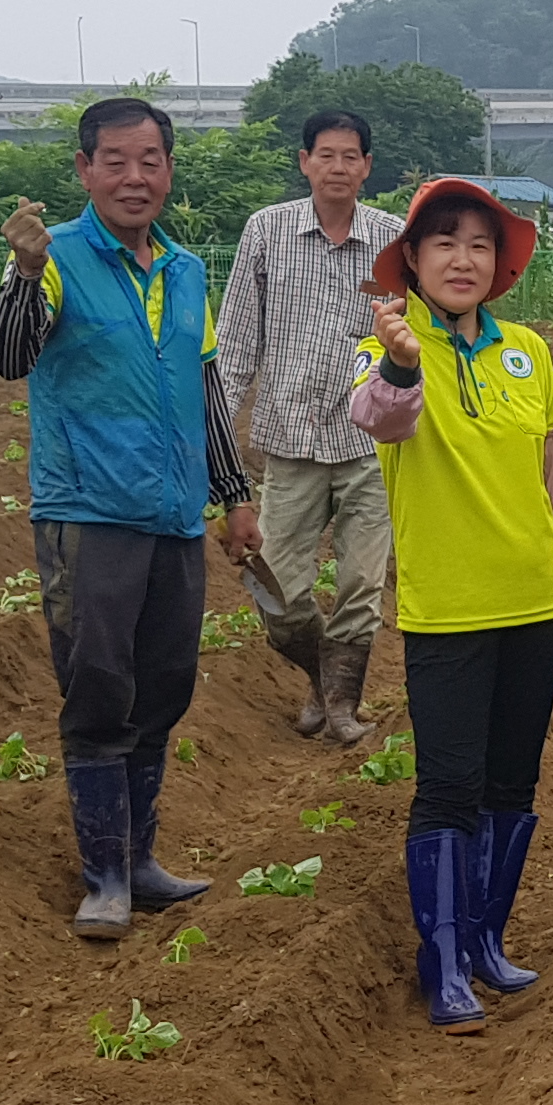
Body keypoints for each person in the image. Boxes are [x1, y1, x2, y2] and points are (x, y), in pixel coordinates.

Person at [0, 97, 255, 942]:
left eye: (150, 160)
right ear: (84, 170)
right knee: (100, 687)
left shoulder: (186, 269)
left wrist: (235, 495)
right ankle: (103, 875)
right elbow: (9, 356)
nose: (134, 177)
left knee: (164, 685)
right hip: (90, 512)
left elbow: (204, 388)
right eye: (115, 161)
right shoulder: (54, 256)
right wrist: (24, 277)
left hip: (174, 516)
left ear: (169, 170)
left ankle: (140, 859)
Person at [349, 177, 553, 1035]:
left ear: (497, 266)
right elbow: (380, 420)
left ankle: (489, 940)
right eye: (444, 243)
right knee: (449, 786)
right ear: (413, 261)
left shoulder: (527, 352)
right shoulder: (389, 346)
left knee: (512, 779)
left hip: (532, 600)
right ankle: (446, 961)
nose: (463, 259)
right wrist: (399, 359)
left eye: (479, 246)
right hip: (447, 611)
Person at [214, 109, 405, 745]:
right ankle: (322, 679)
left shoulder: (393, 241)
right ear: (305, 162)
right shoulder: (267, 232)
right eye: (326, 155)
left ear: (368, 168)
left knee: (361, 583)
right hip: (289, 440)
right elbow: (237, 341)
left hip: (368, 445)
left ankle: (342, 705)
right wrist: (214, 437)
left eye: (351, 156)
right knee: (279, 590)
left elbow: (421, 339)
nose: (338, 168)